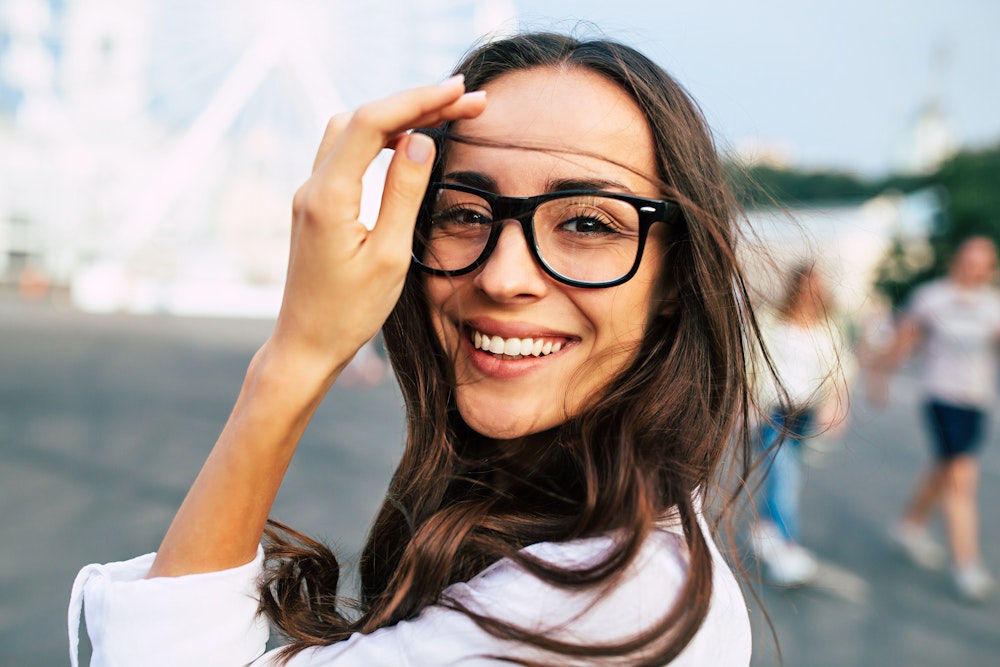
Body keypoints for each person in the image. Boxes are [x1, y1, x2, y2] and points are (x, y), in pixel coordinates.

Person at [68, 31, 769, 665]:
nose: (503, 275)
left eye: (587, 223)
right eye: (465, 213)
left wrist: (294, 361)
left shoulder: (603, 611)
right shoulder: (629, 559)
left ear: (676, 275)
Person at [873, 236, 998, 602]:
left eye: (982, 262)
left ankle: (908, 526)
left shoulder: (994, 304)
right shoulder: (932, 297)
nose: (974, 268)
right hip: (941, 398)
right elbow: (904, 340)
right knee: (961, 477)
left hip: (977, 403)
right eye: (969, 260)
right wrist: (881, 377)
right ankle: (967, 565)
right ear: (957, 260)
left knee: (943, 470)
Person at [748, 263, 851, 586]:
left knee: (784, 474)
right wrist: (747, 400)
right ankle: (787, 548)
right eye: (804, 286)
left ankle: (765, 530)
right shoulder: (769, 321)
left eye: (815, 287)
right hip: (773, 410)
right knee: (785, 475)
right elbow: (751, 360)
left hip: (807, 412)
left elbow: (841, 369)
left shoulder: (830, 326)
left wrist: (837, 406)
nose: (810, 293)